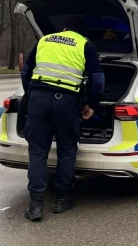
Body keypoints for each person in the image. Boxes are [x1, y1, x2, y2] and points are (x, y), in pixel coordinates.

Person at [21, 15, 104, 221]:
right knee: (67, 150)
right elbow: (97, 79)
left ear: (64, 28)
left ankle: (35, 205)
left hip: (38, 99)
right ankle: (61, 200)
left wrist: (31, 95)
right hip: (66, 102)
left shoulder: (45, 40)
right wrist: (92, 105)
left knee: (38, 152)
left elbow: (26, 71)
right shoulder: (84, 44)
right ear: (81, 32)